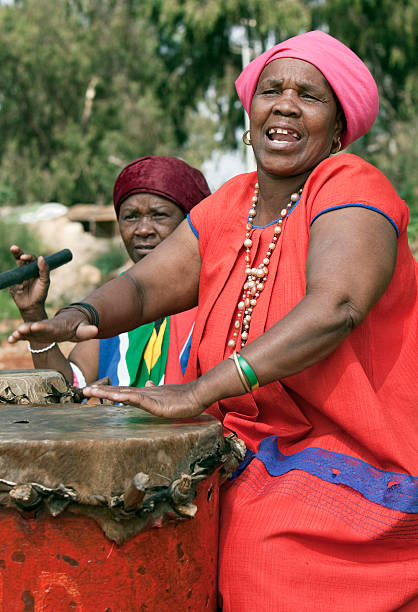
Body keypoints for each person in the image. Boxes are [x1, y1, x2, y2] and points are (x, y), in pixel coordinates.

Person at [8, 31, 418, 610]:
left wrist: (200, 389)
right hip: (245, 449)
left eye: (310, 96)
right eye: (271, 89)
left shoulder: (351, 185)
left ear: (338, 128)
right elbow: (144, 286)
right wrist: (76, 316)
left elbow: (337, 306)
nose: (284, 104)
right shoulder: (231, 202)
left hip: (346, 457)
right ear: (250, 114)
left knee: (258, 554)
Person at [9, 156, 210, 388]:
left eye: (159, 215)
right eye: (130, 217)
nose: (143, 229)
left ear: (191, 224)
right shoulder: (116, 301)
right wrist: (34, 313)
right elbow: (68, 386)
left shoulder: (217, 296)